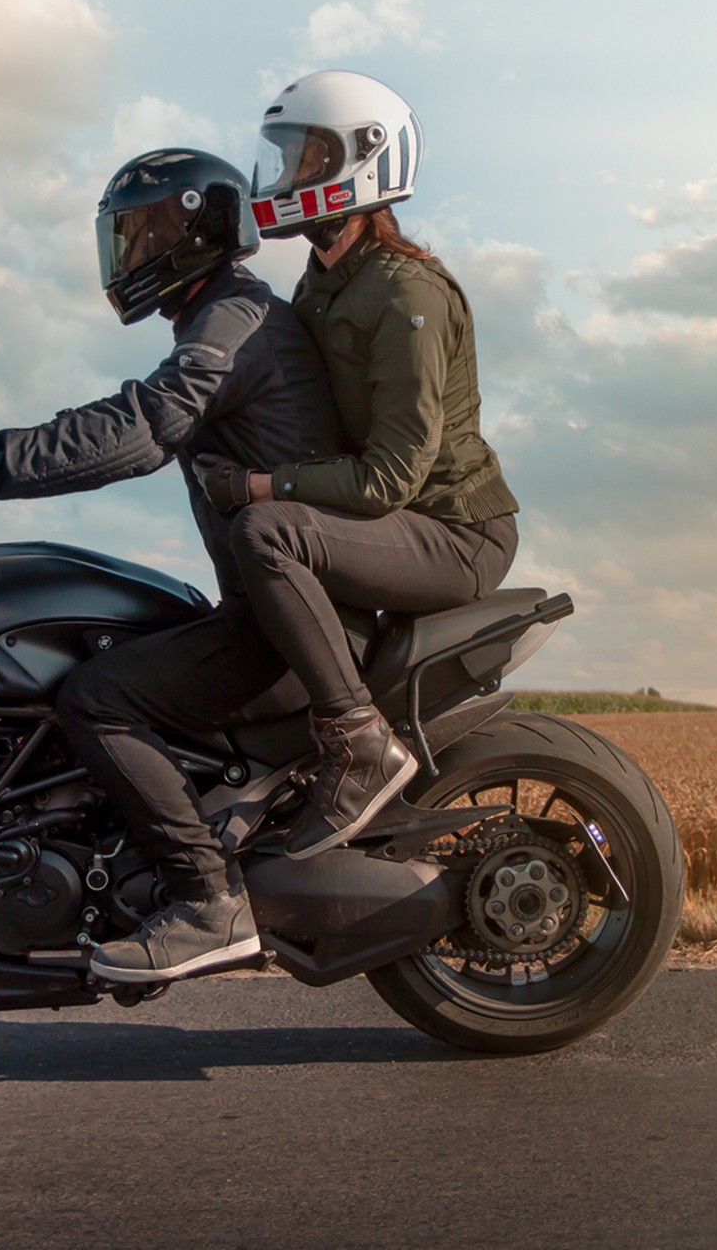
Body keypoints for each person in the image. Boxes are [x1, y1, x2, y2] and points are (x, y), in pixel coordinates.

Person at [0, 148, 341, 982]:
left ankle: (209, 903)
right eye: (125, 239)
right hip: (273, 600)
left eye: (143, 235)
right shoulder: (226, 314)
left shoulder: (235, 319)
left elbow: (141, 425)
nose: (130, 256)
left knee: (97, 697)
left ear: (196, 227)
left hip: (288, 618)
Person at [199, 71, 520, 861]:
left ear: (362, 163)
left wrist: (262, 487)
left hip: (454, 533)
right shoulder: (323, 283)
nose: (287, 177)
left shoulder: (409, 295)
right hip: (399, 523)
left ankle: (358, 743)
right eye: (288, 158)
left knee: (270, 531)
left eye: (307, 159)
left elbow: (388, 480)